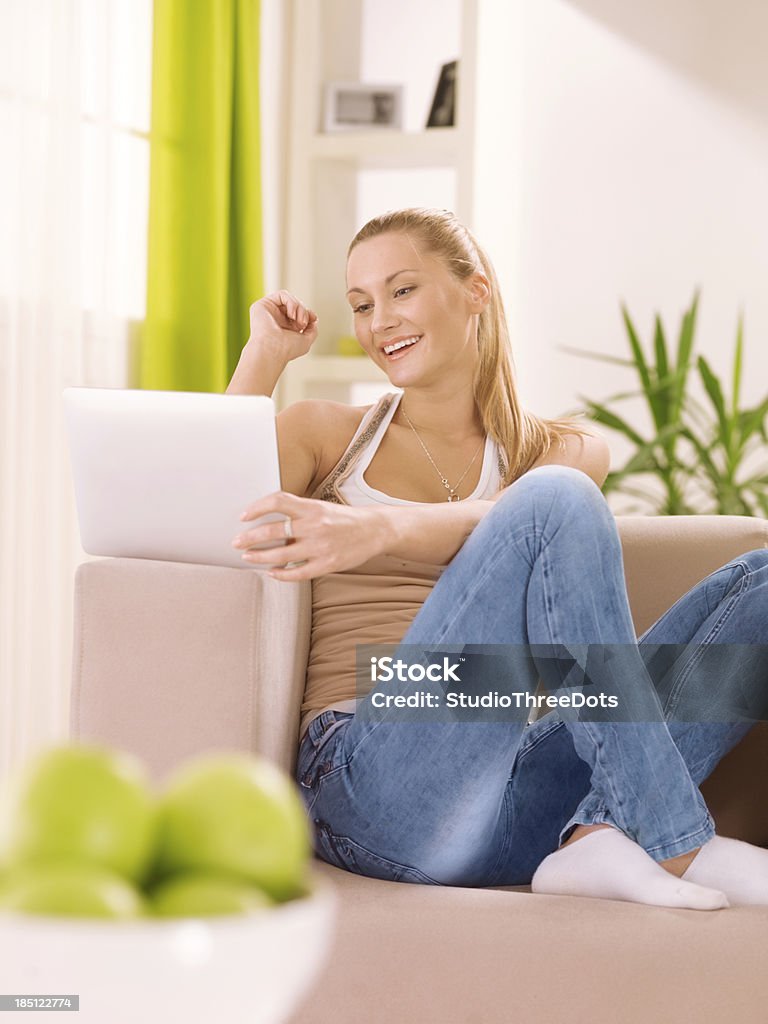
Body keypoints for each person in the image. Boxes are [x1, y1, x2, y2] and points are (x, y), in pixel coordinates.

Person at [227, 207, 768, 909]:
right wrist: (264, 354)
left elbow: (512, 518)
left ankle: (592, 839)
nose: (378, 321)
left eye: (401, 291)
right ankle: (674, 843)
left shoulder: (561, 452)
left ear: (474, 291)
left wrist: (380, 530)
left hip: (520, 798)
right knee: (554, 503)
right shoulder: (325, 434)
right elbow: (210, 511)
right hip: (375, 784)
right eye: (360, 305)